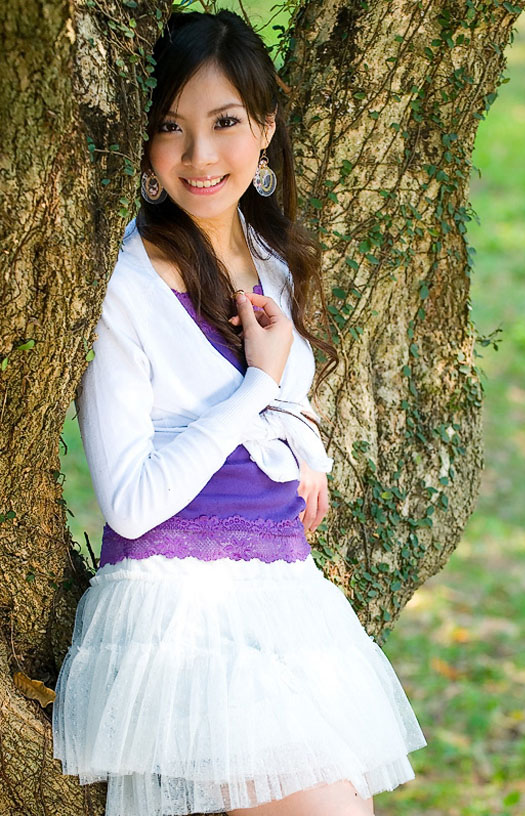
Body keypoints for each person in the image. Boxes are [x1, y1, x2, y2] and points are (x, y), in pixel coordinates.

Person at [52, 9, 427, 816]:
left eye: (224, 122)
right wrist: (255, 388)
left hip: (283, 591)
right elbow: (132, 503)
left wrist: (305, 447)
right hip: (181, 606)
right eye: (171, 127)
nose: (199, 156)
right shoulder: (123, 284)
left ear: (263, 128)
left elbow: (292, 393)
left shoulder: (270, 261)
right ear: (143, 145)